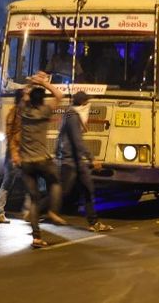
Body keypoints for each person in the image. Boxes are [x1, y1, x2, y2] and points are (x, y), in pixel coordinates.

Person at [19, 71, 67, 248]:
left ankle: (36, 237)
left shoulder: (24, 111)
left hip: (26, 162)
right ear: (42, 100)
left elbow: (23, 96)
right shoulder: (45, 110)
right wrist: (44, 83)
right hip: (42, 160)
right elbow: (59, 95)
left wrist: (32, 83)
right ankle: (53, 211)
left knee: (33, 199)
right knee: (55, 182)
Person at [57, 91, 112, 232]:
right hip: (72, 160)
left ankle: (93, 222)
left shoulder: (71, 114)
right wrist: (92, 159)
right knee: (63, 191)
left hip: (76, 160)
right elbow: (77, 141)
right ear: (82, 103)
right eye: (87, 103)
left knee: (88, 189)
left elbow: (63, 136)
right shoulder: (72, 116)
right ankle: (36, 210)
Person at [0, 90, 28, 223]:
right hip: (14, 153)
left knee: (31, 180)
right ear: (20, 100)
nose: (28, 100)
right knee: (8, 182)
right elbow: (9, 135)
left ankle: (28, 210)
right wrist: (13, 153)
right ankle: (0, 212)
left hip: (24, 151)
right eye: (25, 98)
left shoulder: (24, 112)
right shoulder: (13, 113)